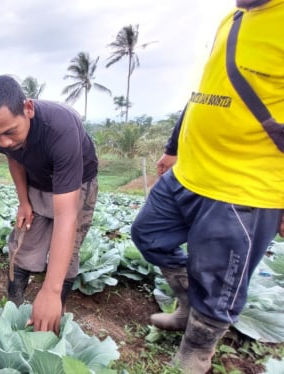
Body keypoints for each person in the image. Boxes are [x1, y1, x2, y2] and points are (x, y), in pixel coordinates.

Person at [131, 1, 284, 372]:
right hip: (189, 173)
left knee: (220, 285)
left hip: (243, 188)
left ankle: (195, 352)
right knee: (148, 234)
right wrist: (172, 149)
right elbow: (206, 89)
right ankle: (187, 307)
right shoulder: (233, 19)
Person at [0, 75, 99, 332]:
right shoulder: (2, 131)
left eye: (9, 132)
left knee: (69, 247)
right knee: (23, 243)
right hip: (36, 181)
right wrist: (24, 202)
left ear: (28, 109)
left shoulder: (60, 127)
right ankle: (15, 308)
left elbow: (66, 216)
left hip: (78, 183)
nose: (4, 142)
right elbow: (14, 159)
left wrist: (50, 291)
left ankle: (55, 311)